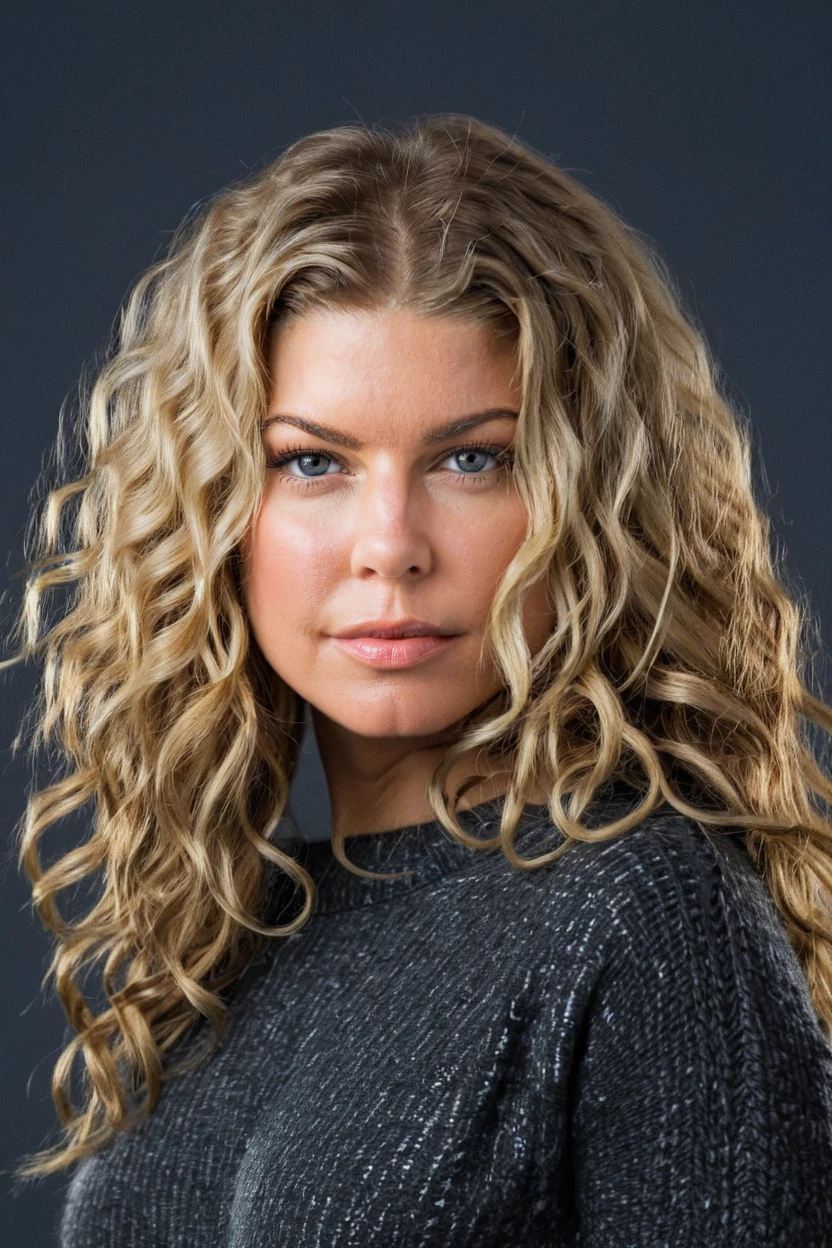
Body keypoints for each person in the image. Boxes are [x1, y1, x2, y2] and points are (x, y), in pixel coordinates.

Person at [6, 113, 832, 1245]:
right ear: (211, 514)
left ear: (587, 501)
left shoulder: (647, 917)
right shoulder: (237, 939)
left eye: (471, 459)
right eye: (311, 463)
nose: (388, 543)